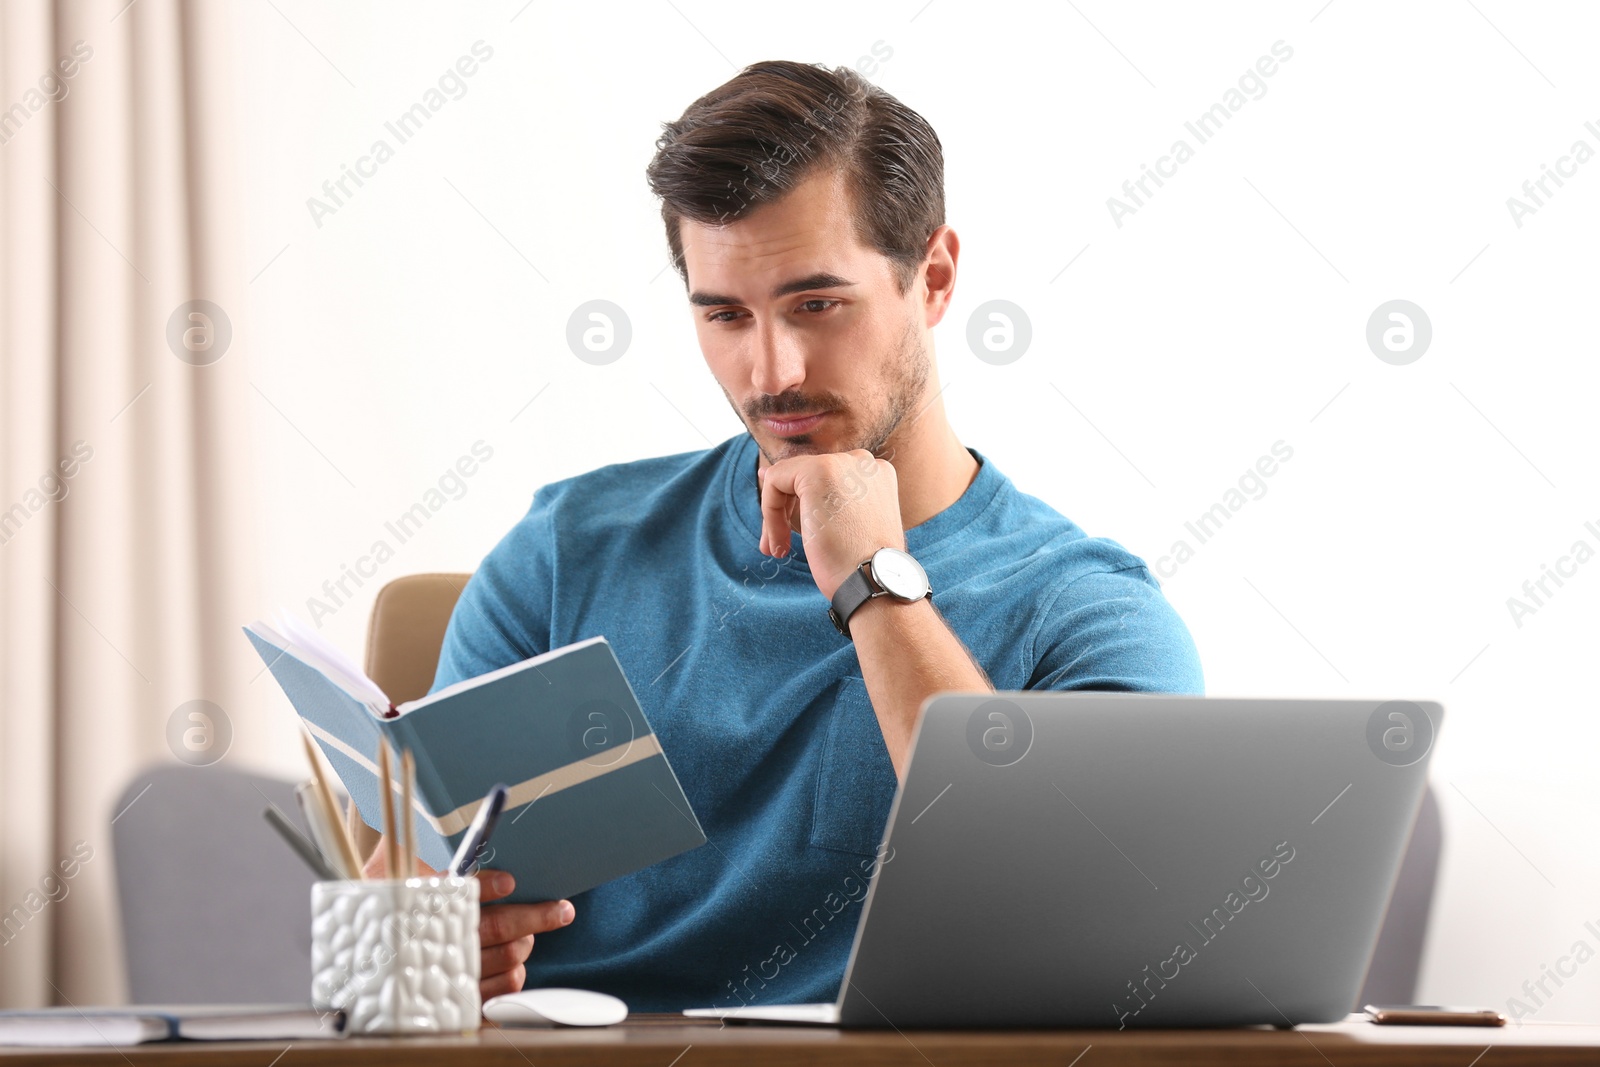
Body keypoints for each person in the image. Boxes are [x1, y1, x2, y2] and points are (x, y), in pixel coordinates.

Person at [367, 59, 1204, 1011]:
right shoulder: (566, 553)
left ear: (931, 278)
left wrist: (874, 584)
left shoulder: (1087, 612)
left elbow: (1087, 936)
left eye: (817, 304)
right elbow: (403, 885)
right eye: (725, 314)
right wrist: (417, 944)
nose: (771, 371)